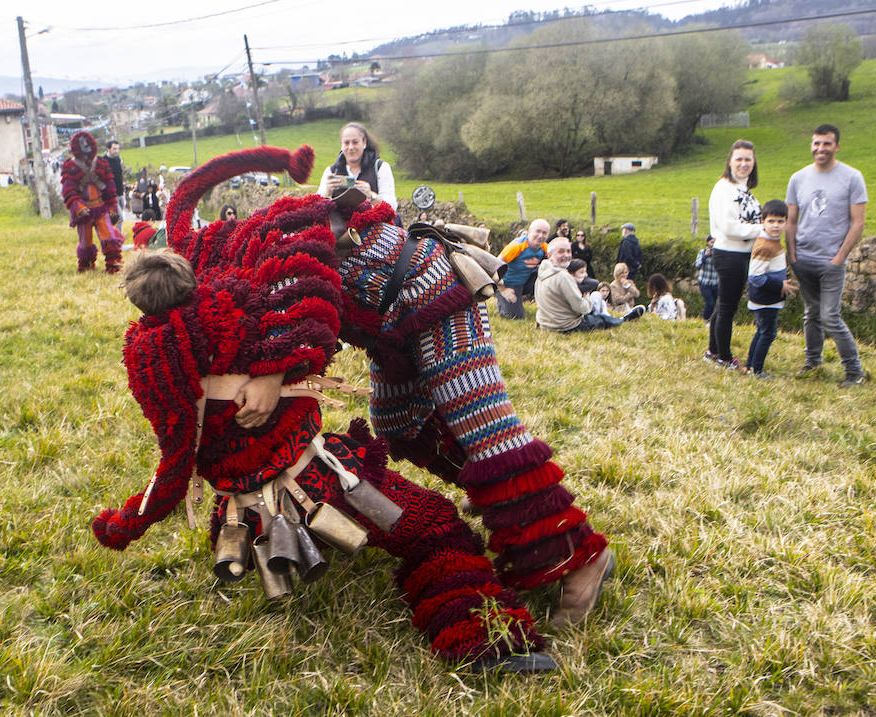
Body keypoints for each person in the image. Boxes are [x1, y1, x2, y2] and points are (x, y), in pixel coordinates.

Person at [95, 158, 553, 671]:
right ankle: (482, 639)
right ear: (194, 278)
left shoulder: (150, 365)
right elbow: (311, 309)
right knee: (437, 530)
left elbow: (173, 466)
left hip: (242, 512)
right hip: (317, 479)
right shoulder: (245, 317)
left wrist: (124, 523)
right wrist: (282, 166)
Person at [786, 124, 867, 387]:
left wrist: (840, 257)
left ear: (837, 146)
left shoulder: (852, 177)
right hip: (803, 260)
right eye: (816, 143)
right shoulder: (798, 178)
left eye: (826, 144)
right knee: (811, 313)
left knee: (830, 316)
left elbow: (858, 223)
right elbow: (791, 221)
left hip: (831, 261)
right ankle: (813, 363)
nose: (820, 149)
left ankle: (854, 372)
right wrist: (793, 255)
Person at [705, 139, 762, 369]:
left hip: (741, 253)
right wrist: (763, 230)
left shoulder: (743, 188)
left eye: (748, 159)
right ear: (729, 161)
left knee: (723, 305)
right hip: (729, 254)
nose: (743, 163)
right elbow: (729, 227)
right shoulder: (724, 189)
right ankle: (724, 357)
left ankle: (713, 351)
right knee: (728, 308)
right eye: (738, 159)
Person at [537, 237, 644, 333]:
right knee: (599, 320)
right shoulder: (563, 276)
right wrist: (587, 299)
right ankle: (622, 320)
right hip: (565, 326)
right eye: (561, 252)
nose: (566, 255)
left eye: (568, 251)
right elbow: (581, 308)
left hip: (545, 324)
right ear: (550, 255)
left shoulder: (542, 272)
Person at [745, 200, 796, 378]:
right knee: (768, 334)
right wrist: (780, 285)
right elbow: (756, 277)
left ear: (786, 222)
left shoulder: (772, 241)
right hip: (765, 299)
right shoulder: (765, 246)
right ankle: (756, 370)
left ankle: (750, 365)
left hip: (768, 298)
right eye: (771, 221)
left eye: (780, 221)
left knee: (762, 331)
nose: (776, 225)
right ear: (762, 221)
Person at [60, 130, 124, 273]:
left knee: (109, 237)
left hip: (101, 208)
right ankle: (86, 265)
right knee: (85, 242)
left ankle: (114, 264)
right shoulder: (70, 166)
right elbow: (69, 191)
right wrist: (78, 208)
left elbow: (110, 187)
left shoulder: (101, 163)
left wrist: (112, 208)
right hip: (84, 212)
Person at [315, 122, 398, 212]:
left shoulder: (380, 168)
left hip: (374, 224)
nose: (350, 147)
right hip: (340, 224)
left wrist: (371, 195)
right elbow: (316, 210)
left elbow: (392, 206)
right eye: (346, 143)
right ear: (341, 145)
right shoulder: (331, 171)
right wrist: (326, 193)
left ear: (364, 142)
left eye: (355, 142)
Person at [496, 219, 551, 319]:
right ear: (529, 232)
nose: (540, 236)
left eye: (544, 233)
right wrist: (503, 289)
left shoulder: (545, 248)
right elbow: (494, 267)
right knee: (515, 316)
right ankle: (501, 297)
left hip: (526, 281)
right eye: (537, 231)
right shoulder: (516, 246)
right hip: (507, 283)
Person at [694, 236, 720, 322]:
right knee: (710, 303)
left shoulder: (719, 254)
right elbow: (697, 265)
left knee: (714, 305)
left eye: (715, 242)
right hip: (704, 282)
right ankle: (705, 320)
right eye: (712, 242)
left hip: (715, 283)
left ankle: (711, 321)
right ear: (708, 243)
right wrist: (705, 256)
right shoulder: (702, 252)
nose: (713, 244)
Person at [104, 139, 126, 208]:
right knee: (119, 217)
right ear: (108, 149)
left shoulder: (117, 159)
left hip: (120, 192)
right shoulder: (104, 161)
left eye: (118, 149)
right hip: (111, 195)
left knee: (121, 214)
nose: (116, 151)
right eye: (114, 149)